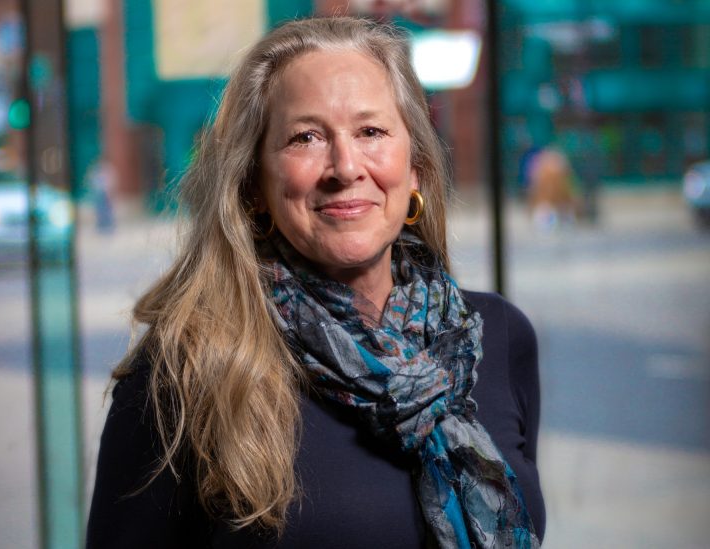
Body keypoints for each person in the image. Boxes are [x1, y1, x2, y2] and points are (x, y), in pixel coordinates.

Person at [87, 17, 545, 548]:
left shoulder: (499, 337)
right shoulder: (183, 372)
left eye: (371, 132)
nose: (345, 166)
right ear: (254, 184)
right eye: (305, 137)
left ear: (415, 166)